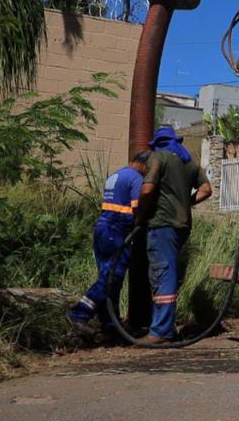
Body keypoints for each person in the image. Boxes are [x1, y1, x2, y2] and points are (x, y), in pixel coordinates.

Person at [137, 126, 212, 344]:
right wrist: (185, 203)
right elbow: (206, 189)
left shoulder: (157, 157)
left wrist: (140, 216)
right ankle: (163, 326)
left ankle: (160, 331)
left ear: (157, 143)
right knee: (167, 272)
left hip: (162, 224)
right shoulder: (189, 162)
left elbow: (147, 189)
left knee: (162, 273)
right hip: (182, 225)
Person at [67, 151, 151, 338]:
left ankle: (110, 323)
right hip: (117, 231)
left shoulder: (117, 174)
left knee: (110, 276)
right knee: (112, 276)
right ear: (144, 165)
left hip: (103, 229)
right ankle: (79, 313)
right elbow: (138, 208)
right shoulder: (137, 178)